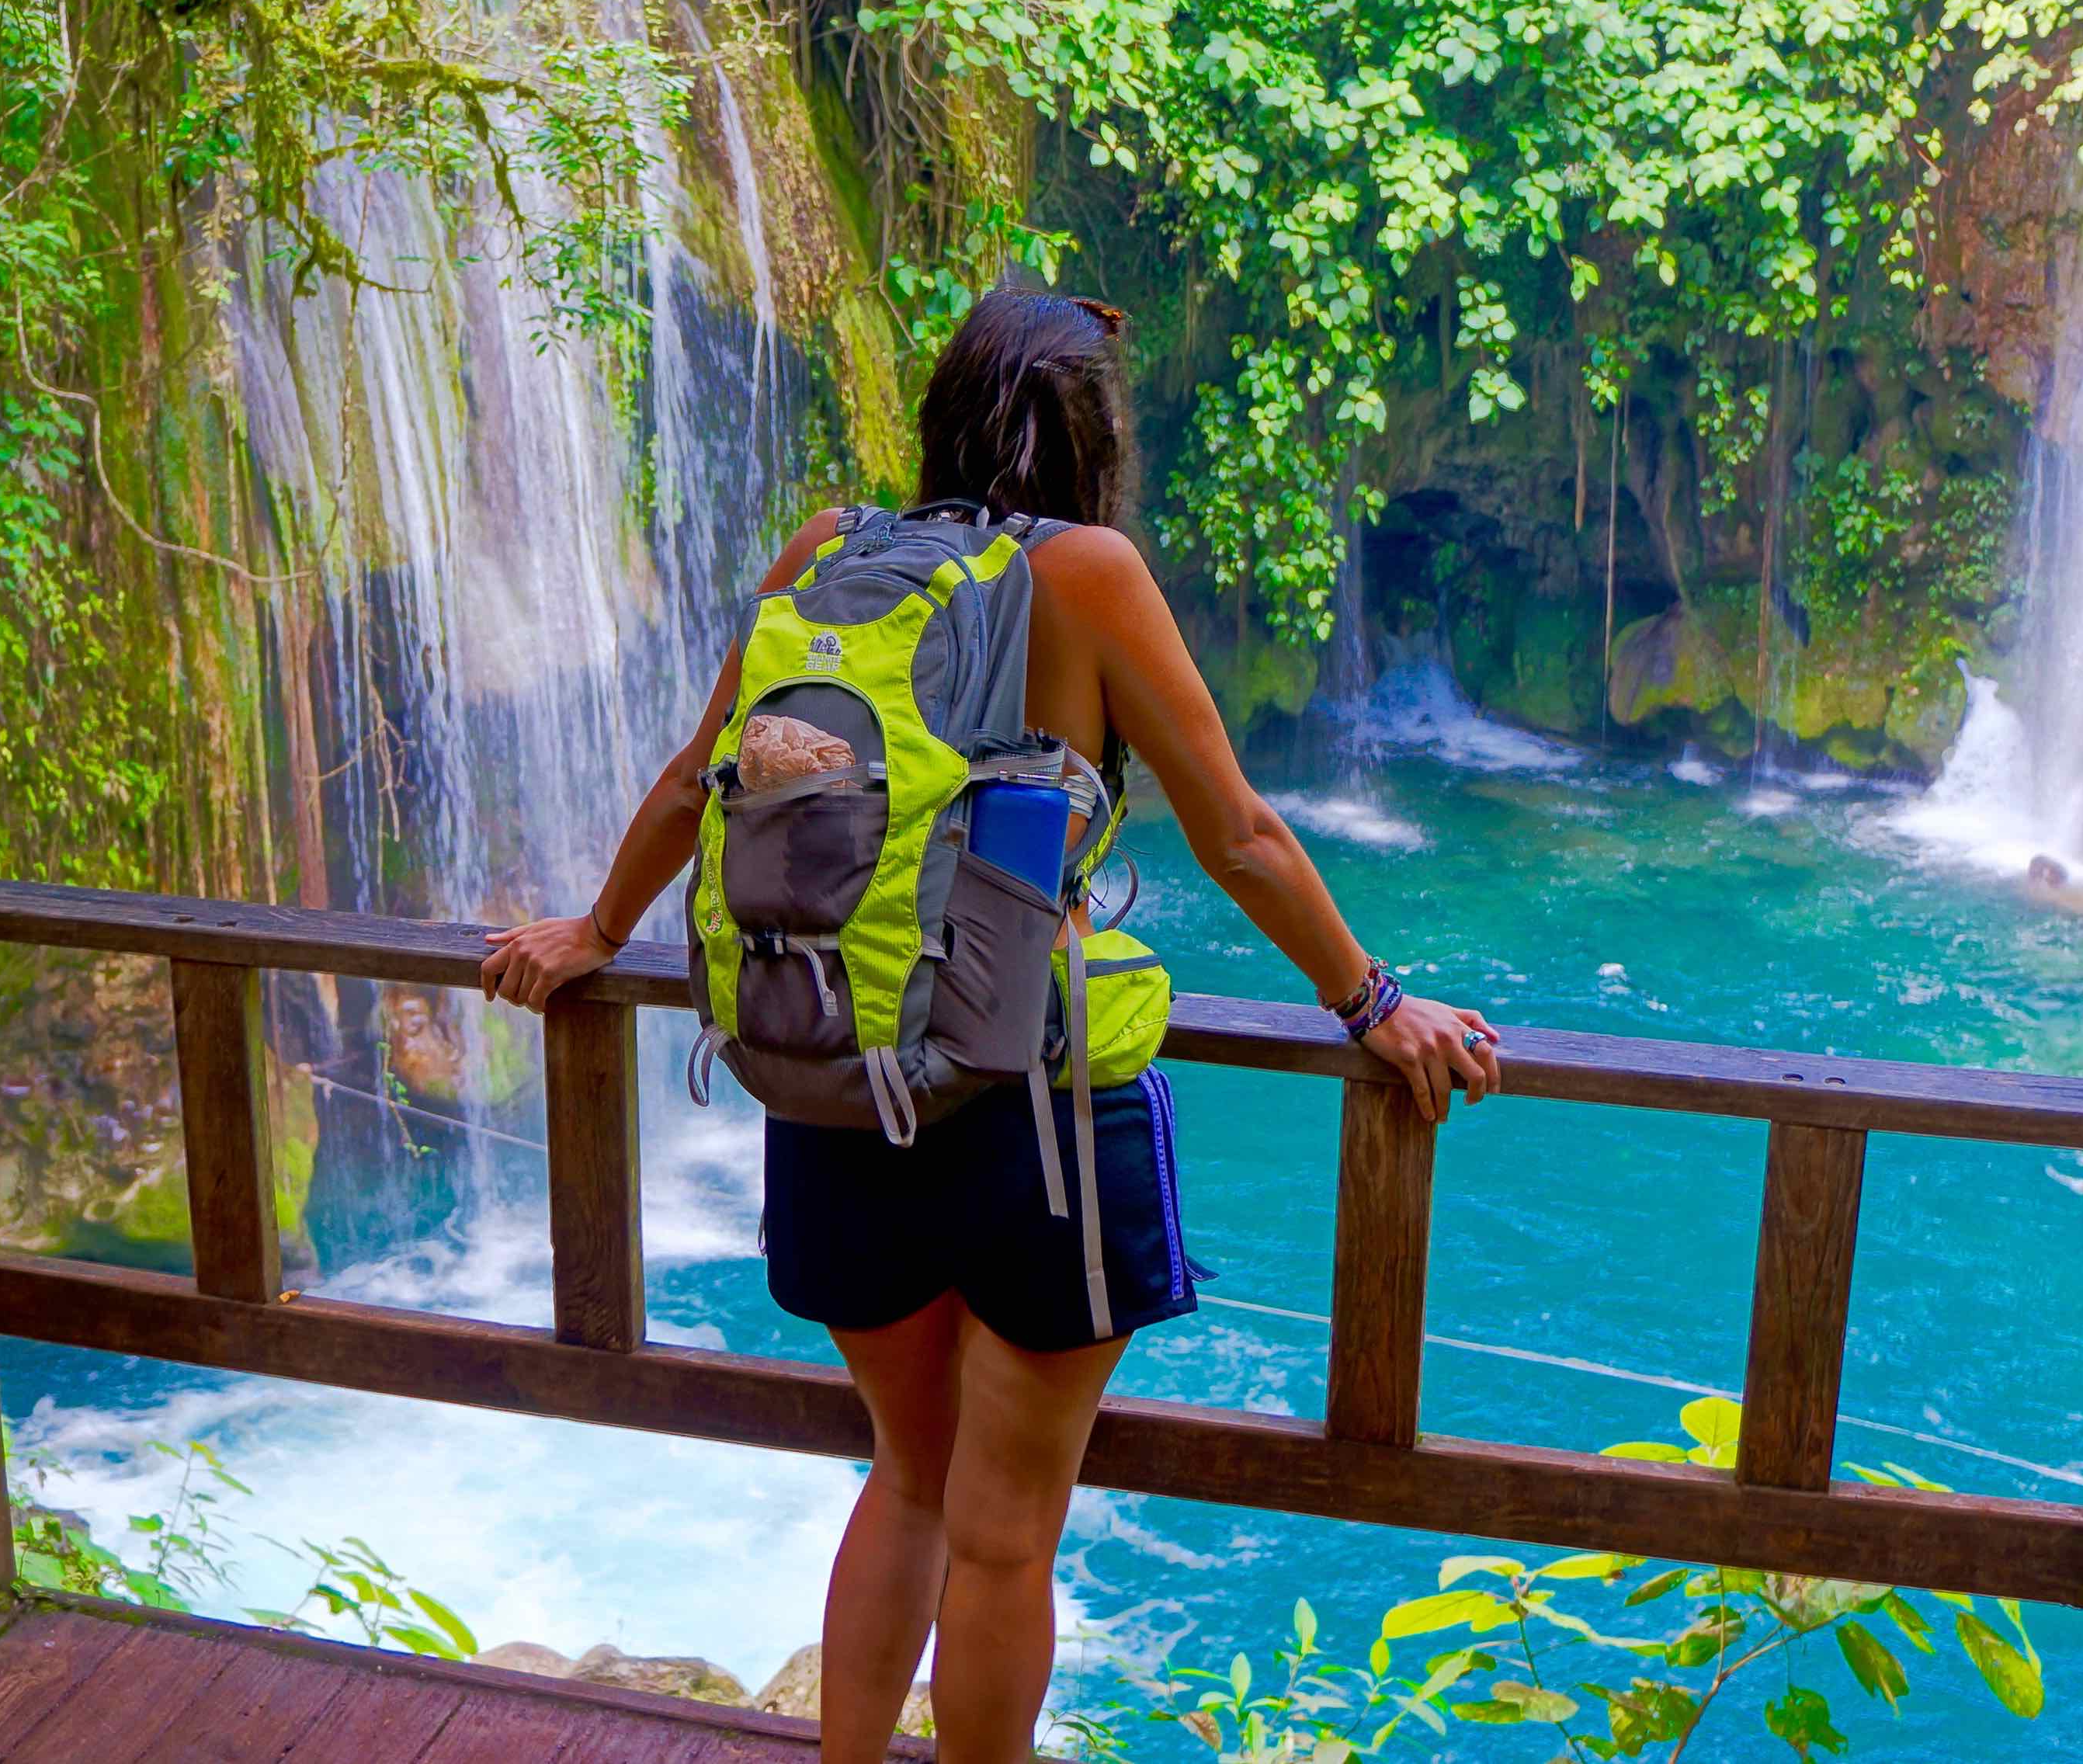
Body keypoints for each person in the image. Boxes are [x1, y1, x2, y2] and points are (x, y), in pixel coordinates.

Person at [479, 288, 1503, 1764]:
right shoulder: (1084, 574)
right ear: (1094, 438)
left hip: (836, 1081)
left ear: (945, 415)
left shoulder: (827, 555)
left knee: (905, 1477)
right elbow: (1243, 837)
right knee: (1007, 1538)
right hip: (1033, 1117)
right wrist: (1374, 1002)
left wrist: (597, 931)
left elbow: (698, 773)